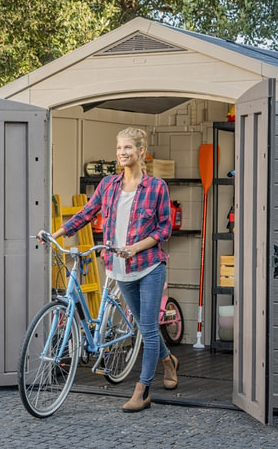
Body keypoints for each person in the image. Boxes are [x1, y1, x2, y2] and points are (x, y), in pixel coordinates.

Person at [39, 127, 177, 413]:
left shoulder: (156, 187)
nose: (122, 153)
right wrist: (57, 232)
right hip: (118, 267)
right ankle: (168, 360)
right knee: (143, 325)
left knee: (149, 330)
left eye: (128, 148)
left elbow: (165, 228)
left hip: (149, 265)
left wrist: (136, 247)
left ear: (141, 151)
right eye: (119, 148)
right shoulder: (108, 185)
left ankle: (143, 390)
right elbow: (86, 213)